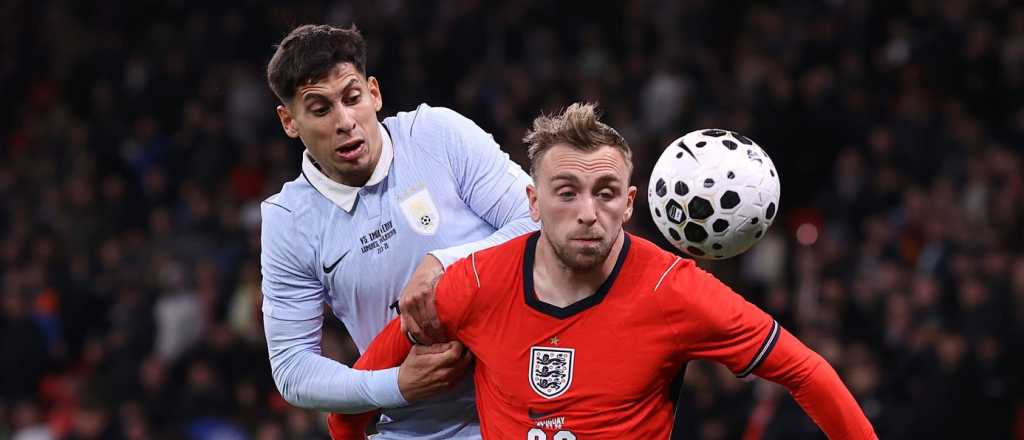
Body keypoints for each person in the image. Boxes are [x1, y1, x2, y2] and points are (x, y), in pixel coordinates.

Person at [327, 103, 878, 439]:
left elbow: (806, 372)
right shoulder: (473, 284)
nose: (588, 213)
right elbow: (348, 407)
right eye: (566, 192)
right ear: (533, 202)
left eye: (606, 192)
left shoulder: (673, 290)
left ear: (629, 203)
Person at [260, 24, 538, 439]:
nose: (345, 121)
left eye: (352, 98)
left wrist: (443, 263)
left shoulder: (436, 135)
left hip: (524, 401)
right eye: (320, 110)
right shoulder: (288, 219)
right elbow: (292, 367)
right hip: (415, 426)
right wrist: (396, 385)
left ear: (374, 93)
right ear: (289, 121)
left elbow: (538, 222)